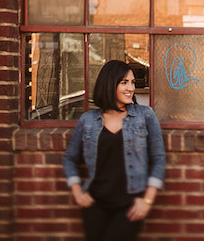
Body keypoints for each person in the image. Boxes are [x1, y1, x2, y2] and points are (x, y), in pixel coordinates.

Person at [63, 60, 167, 241]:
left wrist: (147, 200)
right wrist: (78, 192)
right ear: (109, 84)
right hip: (95, 204)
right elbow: (70, 158)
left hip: (130, 204)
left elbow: (158, 158)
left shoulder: (145, 115)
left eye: (133, 82)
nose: (131, 88)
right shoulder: (88, 120)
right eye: (124, 82)